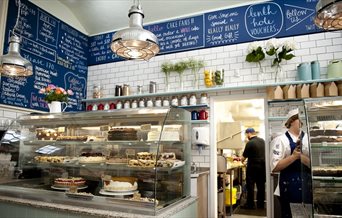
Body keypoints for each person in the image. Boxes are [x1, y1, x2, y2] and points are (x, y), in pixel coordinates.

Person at [270, 108, 311, 218]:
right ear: (291, 121)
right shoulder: (281, 140)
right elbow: (275, 167)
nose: (302, 122)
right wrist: (293, 157)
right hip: (288, 187)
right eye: (299, 119)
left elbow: (313, 165)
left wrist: (301, 157)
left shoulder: (309, 139)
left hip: (307, 187)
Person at [241, 127, 266, 209]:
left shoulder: (250, 143)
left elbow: (243, 157)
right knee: (261, 187)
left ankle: (250, 205)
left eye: (246, 135)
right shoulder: (263, 141)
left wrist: (241, 160)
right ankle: (260, 205)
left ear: (249, 133)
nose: (246, 136)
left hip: (252, 168)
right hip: (262, 167)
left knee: (250, 186)